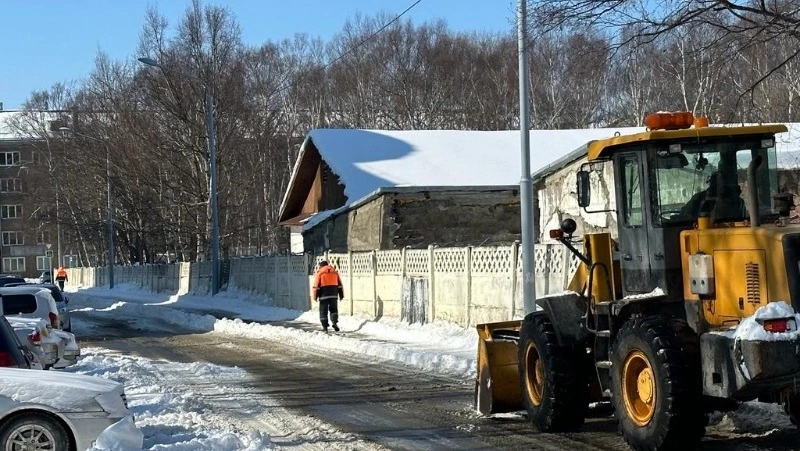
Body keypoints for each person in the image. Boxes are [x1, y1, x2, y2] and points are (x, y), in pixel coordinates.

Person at [312, 260, 343, 333]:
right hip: (334, 294)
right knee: (334, 310)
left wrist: (315, 296)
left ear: (321, 266)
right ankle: (334, 322)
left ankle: (325, 327)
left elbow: (316, 286)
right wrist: (341, 295)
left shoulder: (320, 273)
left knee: (323, 311)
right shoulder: (334, 272)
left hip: (323, 294)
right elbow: (340, 285)